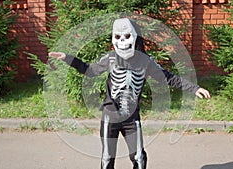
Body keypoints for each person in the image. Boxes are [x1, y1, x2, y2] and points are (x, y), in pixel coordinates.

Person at [48, 18, 210, 169]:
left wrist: (194, 88)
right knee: (107, 158)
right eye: (118, 37)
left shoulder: (145, 61)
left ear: (135, 38)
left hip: (131, 118)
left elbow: (167, 77)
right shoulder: (110, 59)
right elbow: (89, 70)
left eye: (127, 36)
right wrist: (68, 58)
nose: (122, 41)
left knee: (139, 157)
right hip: (109, 117)